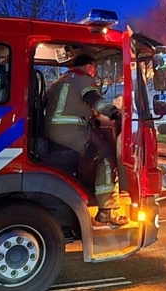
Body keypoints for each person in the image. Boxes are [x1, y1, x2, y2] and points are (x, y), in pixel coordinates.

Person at [42, 54, 127, 227]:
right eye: (94, 67)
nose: (95, 71)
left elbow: (74, 105)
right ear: (88, 66)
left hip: (55, 128)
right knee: (105, 156)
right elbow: (94, 100)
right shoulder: (83, 79)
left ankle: (90, 187)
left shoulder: (64, 79)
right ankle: (106, 210)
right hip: (68, 129)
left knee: (94, 151)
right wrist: (115, 113)